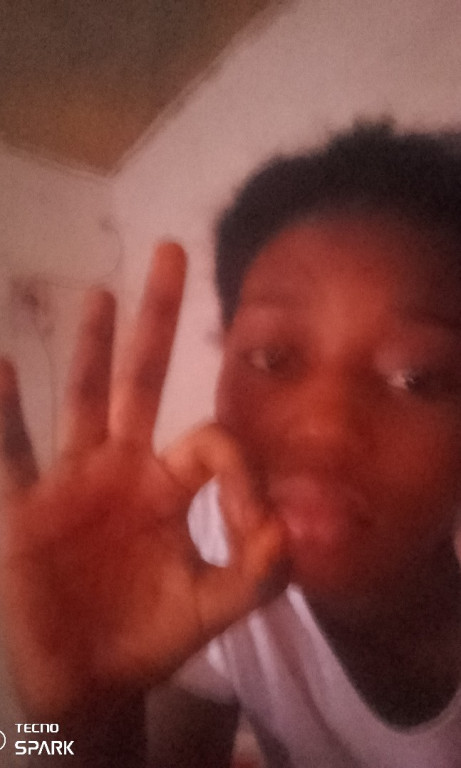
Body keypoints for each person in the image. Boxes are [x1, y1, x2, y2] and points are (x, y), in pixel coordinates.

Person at [2, 122, 461, 767]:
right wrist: (72, 721)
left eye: (417, 376)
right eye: (273, 358)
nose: (325, 426)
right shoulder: (213, 548)